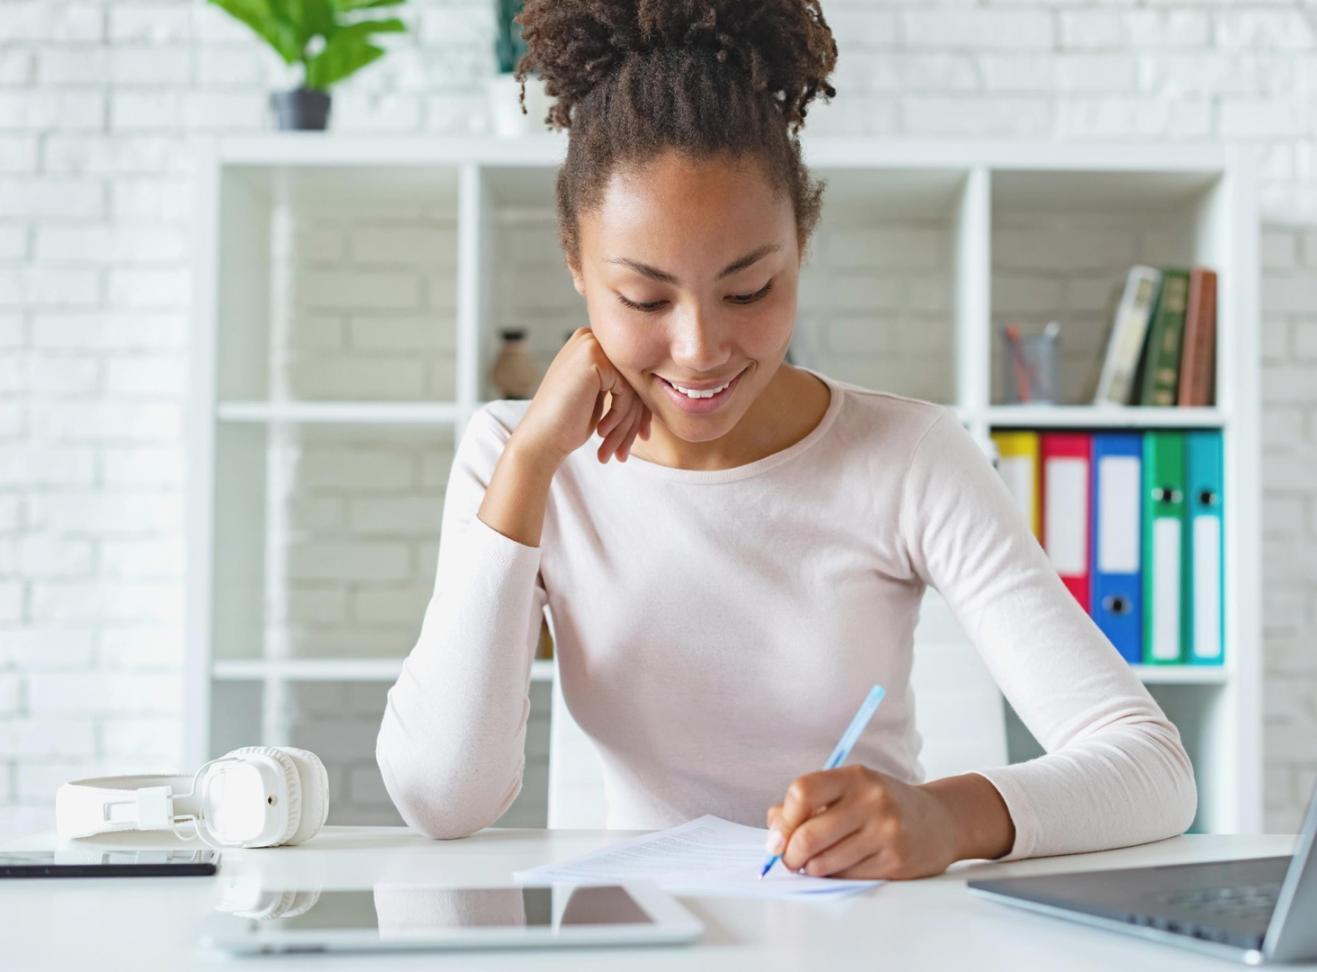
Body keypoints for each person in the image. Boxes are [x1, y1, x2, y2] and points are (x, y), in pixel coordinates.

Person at [377, 0, 1196, 880]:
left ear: (801, 246)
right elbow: (442, 797)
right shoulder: (514, 454)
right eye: (646, 301)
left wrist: (944, 819)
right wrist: (532, 463)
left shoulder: (909, 456)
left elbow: (1152, 769)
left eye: (750, 289)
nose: (698, 349)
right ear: (577, 264)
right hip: (640, 942)